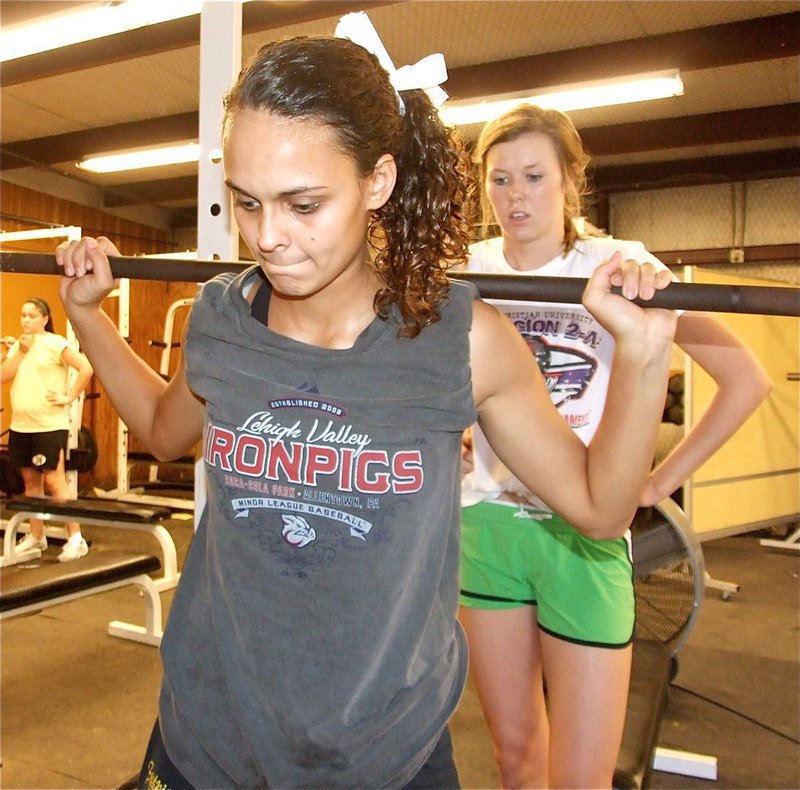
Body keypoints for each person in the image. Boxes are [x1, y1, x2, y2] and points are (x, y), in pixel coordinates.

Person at [55, 33, 677, 789]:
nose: (267, 236)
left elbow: (601, 508)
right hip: (205, 742)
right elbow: (161, 430)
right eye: (247, 202)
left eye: (303, 203)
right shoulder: (224, 317)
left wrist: (643, 361)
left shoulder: (464, 340)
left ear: (378, 180)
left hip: (382, 761)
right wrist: (89, 318)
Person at [459, 103, 772, 789]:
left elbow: (746, 380)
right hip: (486, 524)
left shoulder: (617, 266)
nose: (516, 197)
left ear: (573, 178)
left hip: (584, 535)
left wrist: (656, 484)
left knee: (581, 779)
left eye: (535, 177)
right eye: (500, 179)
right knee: (514, 760)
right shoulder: (468, 271)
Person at [1, 297, 94, 561]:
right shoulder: (18, 346)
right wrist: (19, 351)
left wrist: (69, 396)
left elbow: (86, 367)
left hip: (49, 425)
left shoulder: (56, 343)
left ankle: (76, 539)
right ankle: (37, 538)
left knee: (54, 480)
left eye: (32, 315)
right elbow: (3, 376)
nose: (26, 320)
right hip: (21, 425)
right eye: (23, 315)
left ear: (44, 318)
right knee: (31, 484)